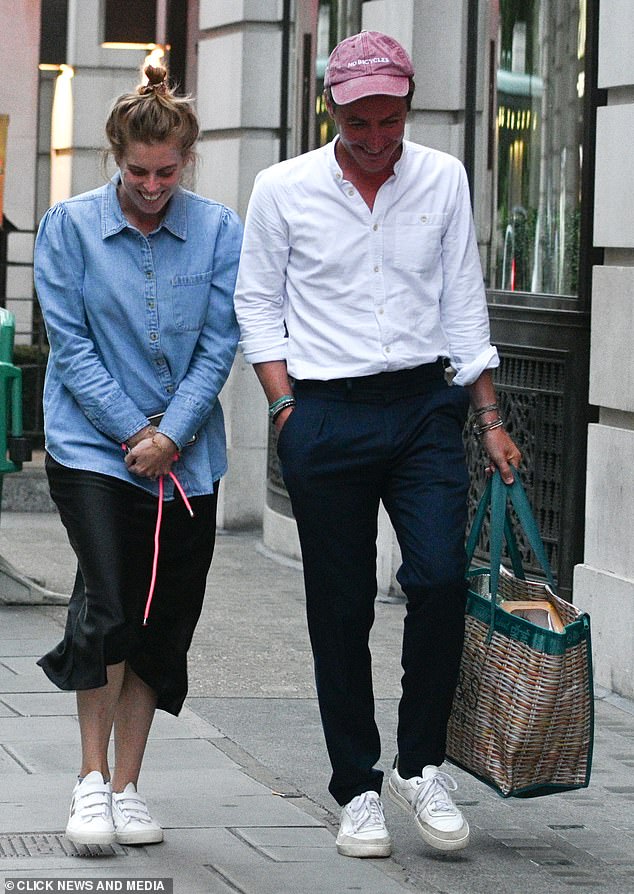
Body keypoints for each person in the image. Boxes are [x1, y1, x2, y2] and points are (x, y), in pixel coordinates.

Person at [233, 31, 522, 858]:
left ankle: (420, 761)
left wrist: (490, 415)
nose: (375, 139)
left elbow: (464, 297)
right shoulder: (282, 188)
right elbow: (258, 306)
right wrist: (286, 409)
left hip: (424, 407)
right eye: (359, 123)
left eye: (389, 120)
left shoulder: (442, 178)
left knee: (438, 578)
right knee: (341, 606)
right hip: (324, 413)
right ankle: (357, 785)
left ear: (410, 104)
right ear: (331, 110)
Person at [34, 65, 242, 848]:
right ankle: (89, 783)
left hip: (187, 456)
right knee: (111, 603)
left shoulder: (220, 231)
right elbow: (70, 344)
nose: (152, 187)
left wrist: (173, 435)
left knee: (161, 624)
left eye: (167, 172)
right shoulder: (70, 227)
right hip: (92, 445)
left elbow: (221, 340)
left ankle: (128, 789)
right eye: (137, 172)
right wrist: (134, 434)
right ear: (115, 156)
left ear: (185, 158)